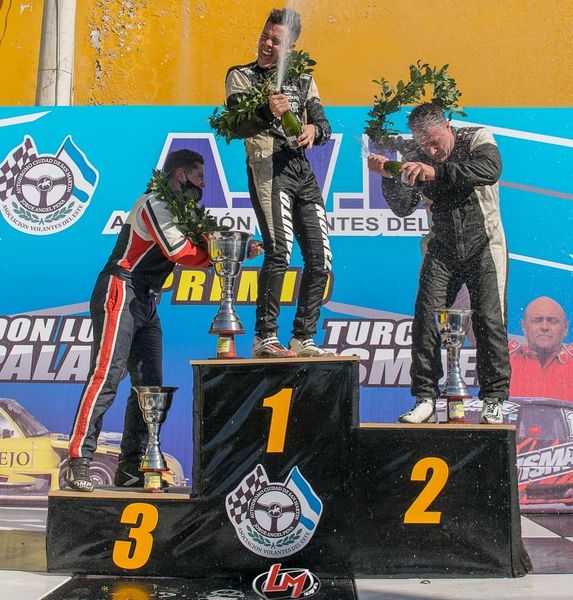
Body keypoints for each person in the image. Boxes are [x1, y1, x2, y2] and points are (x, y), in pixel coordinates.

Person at [66, 150, 212, 492]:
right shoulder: (154, 202)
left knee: (150, 389)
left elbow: (203, 241)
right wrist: (215, 256)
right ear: (180, 175)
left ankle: (130, 467)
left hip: (147, 299)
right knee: (106, 376)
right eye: (199, 177)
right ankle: (79, 460)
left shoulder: (187, 212)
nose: (204, 185)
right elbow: (178, 252)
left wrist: (237, 247)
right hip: (122, 288)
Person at [368, 103, 510, 424]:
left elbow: (490, 170)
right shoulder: (414, 154)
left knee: (490, 321)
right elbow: (404, 207)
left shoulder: (477, 137)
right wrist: (388, 176)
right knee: (426, 319)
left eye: (436, 142)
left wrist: (436, 171)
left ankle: (493, 399)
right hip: (441, 248)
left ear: (447, 124)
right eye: (425, 146)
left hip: (485, 244)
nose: (432, 151)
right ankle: (425, 399)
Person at [225, 7, 334, 358]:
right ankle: (265, 337)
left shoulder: (304, 79)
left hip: (301, 170)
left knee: (321, 259)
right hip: (268, 167)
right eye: (264, 36)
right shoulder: (241, 75)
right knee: (280, 251)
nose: (267, 45)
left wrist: (313, 130)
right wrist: (266, 111)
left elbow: (324, 126)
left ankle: (303, 337)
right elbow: (236, 126)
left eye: (276, 41)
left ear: (291, 48)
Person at [510, 296, 573, 401]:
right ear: (524, 327)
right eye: (537, 321)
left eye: (552, 321)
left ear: (565, 328)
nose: (544, 327)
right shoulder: (505, 360)